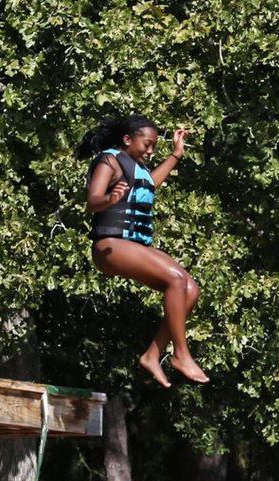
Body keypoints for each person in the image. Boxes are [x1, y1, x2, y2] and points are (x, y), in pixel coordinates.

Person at [77, 114, 209, 387]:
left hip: (133, 245)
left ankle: (153, 354)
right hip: (110, 246)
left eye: (154, 147)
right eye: (147, 145)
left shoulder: (135, 168)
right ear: (127, 140)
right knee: (174, 279)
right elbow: (92, 201)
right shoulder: (109, 160)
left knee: (190, 290)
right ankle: (181, 355)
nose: (150, 151)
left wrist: (175, 155)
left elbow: (150, 183)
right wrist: (109, 199)